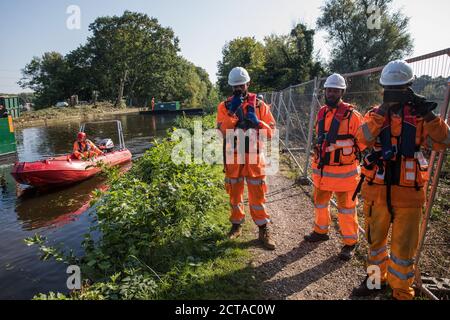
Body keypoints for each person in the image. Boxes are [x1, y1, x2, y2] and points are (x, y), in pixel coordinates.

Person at [353, 60, 450, 300]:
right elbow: (362, 140)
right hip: (377, 191)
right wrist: (383, 111)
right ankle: (375, 281)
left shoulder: (421, 117)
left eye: (400, 88)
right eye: (389, 88)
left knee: (403, 251)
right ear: (382, 89)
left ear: (410, 88)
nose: (394, 93)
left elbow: (444, 141)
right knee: (375, 243)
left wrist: (427, 113)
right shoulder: (374, 114)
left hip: (409, 194)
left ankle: (402, 293)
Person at [304, 74, 365, 261]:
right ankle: (320, 231)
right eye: (329, 90)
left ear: (342, 92)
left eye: (335, 90)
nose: (331, 93)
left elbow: (362, 142)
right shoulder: (322, 112)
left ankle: (350, 243)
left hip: (345, 175)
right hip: (323, 172)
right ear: (325, 91)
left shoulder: (353, 116)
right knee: (320, 204)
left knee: (346, 209)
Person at [216, 67, 277, 250]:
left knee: (258, 195)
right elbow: (221, 132)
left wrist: (258, 123)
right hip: (233, 157)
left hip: (254, 157)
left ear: (247, 84)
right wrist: (231, 114)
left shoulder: (259, 106)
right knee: (235, 193)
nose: (238, 89)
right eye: (235, 86)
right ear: (230, 87)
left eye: (241, 85)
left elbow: (271, 133)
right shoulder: (224, 106)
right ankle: (236, 225)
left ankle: (263, 229)